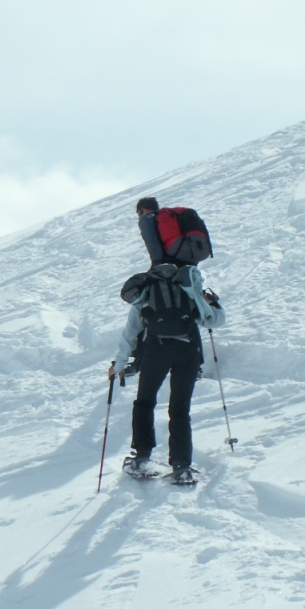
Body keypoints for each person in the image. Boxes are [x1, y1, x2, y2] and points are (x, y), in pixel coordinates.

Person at [108, 263, 225, 483]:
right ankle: (181, 467)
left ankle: (142, 458)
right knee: (180, 409)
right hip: (187, 352)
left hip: (156, 352)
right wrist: (213, 302)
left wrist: (119, 364)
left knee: (144, 402)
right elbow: (216, 320)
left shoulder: (146, 294)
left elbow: (130, 332)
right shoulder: (189, 290)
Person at [135, 196, 166, 266]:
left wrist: (156, 264)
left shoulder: (147, 220)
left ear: (144, 210)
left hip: (168, 261)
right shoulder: (168, 217)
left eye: (139, 214)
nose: (139, 218)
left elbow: (152, 241)